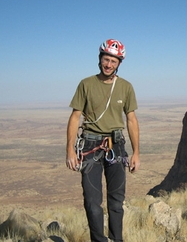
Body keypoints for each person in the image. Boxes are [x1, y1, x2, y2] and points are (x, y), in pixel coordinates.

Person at [65, 39, 140, 242]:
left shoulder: (125, 87)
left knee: (116, 202)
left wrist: (136, 153)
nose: (109, 65)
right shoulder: (86, 84)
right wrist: (70, 150)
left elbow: (131, 120)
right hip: (90, 146)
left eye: (113, 61)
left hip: (116, 146)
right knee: (92, 201)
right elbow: (75, 116)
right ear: (100, 59)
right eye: (106, 59)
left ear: (119, 64)